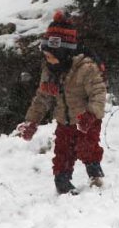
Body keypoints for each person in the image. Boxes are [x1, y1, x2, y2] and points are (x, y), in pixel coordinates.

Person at [16, 12, 107, 195]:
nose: (48, 60)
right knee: (63, 152)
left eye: (52, 56)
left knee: (87, 148)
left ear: (64, 53)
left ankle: (94, 174)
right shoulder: (49, 72)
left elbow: (98, 93)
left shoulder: (85, 68)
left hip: (86, 120)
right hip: (63, 122)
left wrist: (91, 114)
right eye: (46, 56)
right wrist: (31, 122)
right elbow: (42, 98)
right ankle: (62, 181)